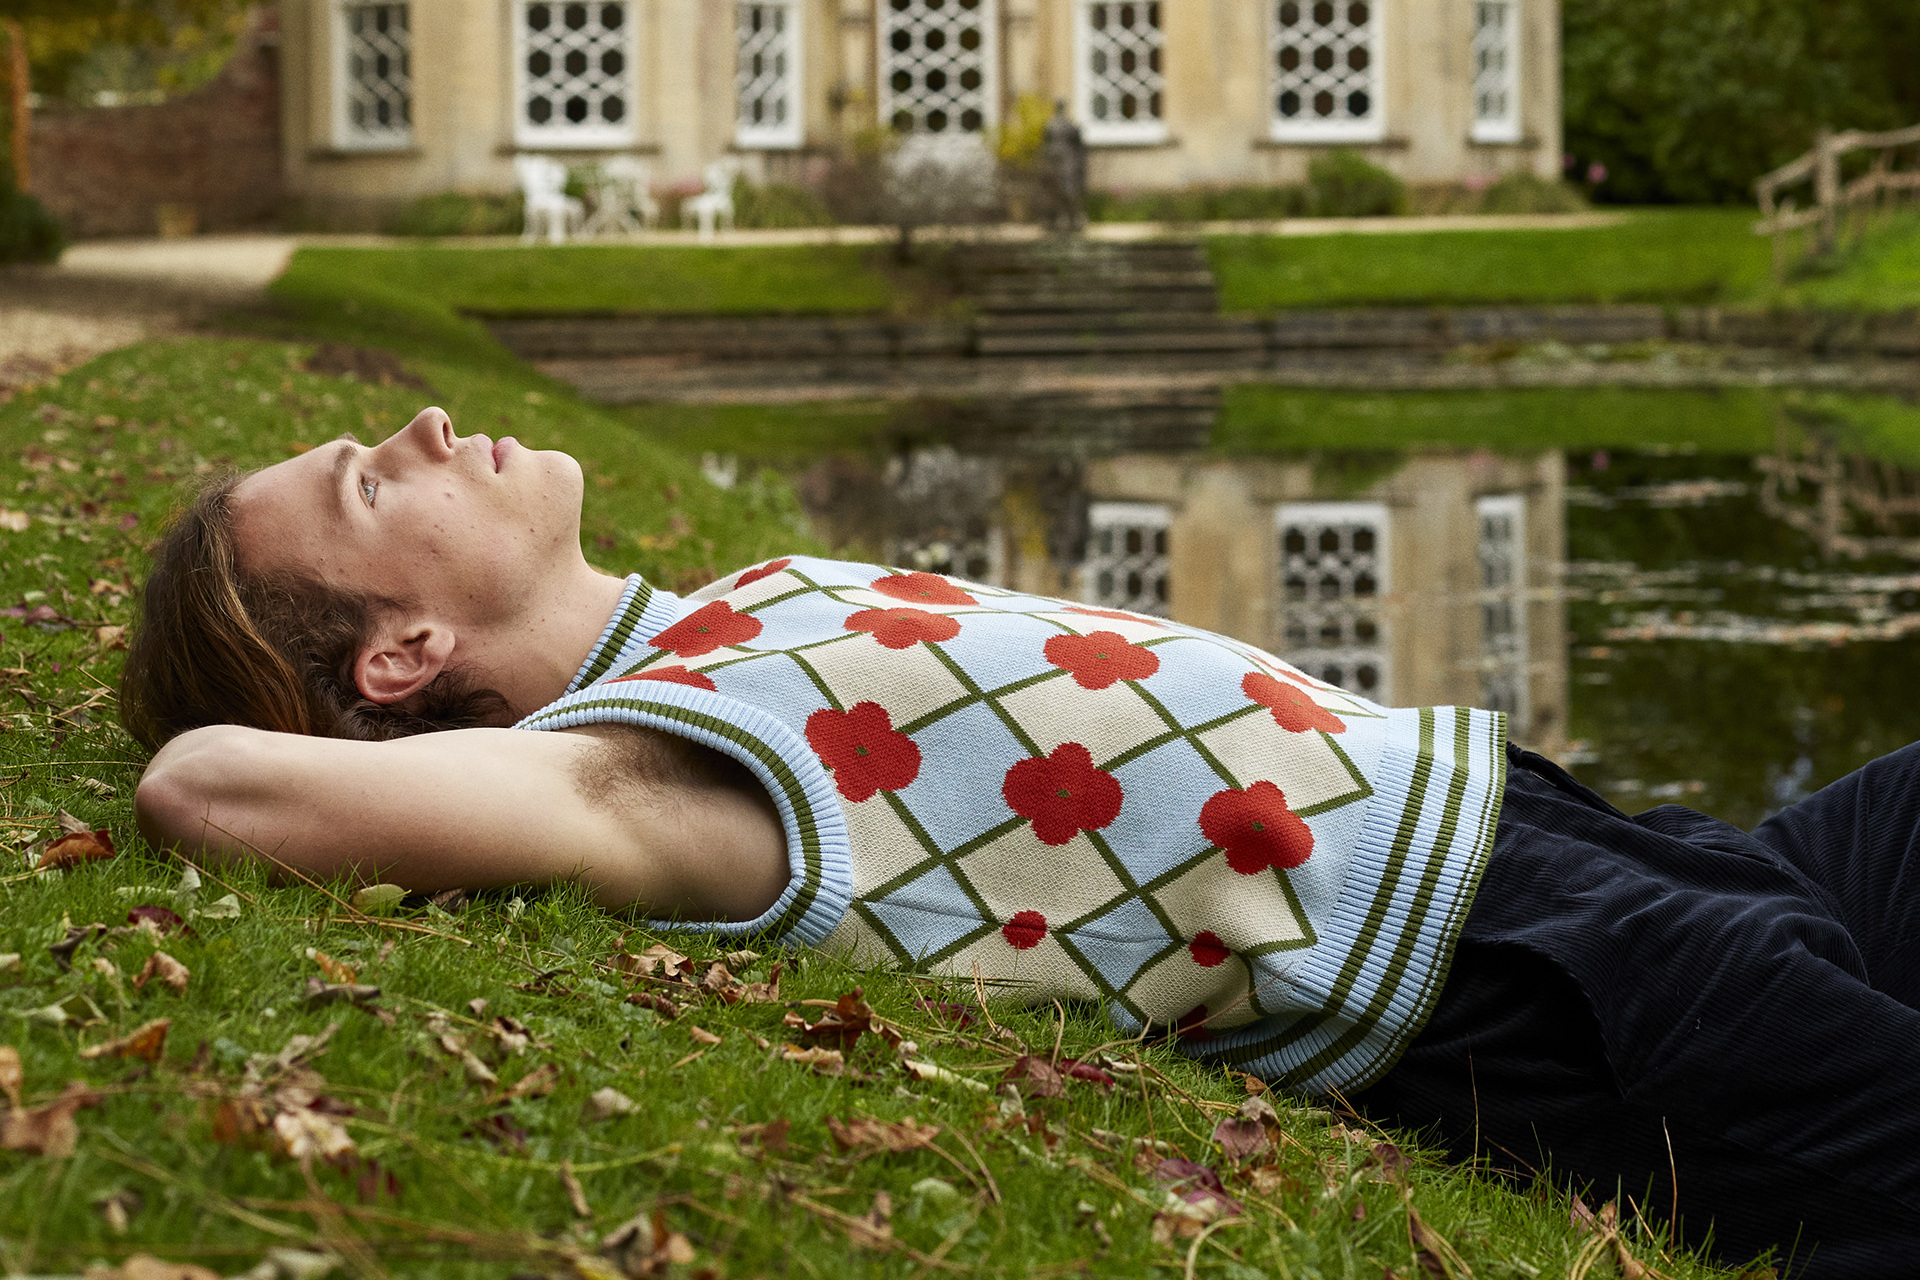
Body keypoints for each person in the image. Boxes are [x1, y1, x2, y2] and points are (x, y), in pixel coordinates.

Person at [123, 408, 1920, 1277]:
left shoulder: (717, 616)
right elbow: (209, 787)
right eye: (376, 482)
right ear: (401, 656)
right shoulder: (655, 768)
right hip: (1528, 973)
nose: (424, 427)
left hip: (1600, 837)